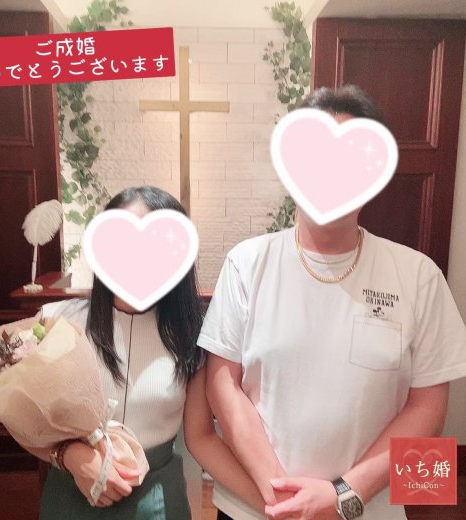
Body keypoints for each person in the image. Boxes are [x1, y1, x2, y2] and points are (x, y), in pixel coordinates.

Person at [196, 85, 466, 520]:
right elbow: (222, 385)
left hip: (367, 510)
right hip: (256, 508)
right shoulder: (246, 263)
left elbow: (428, 409)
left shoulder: (419, 276)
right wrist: (281, 497)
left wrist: (342, 496)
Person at [39, 185, 264, 520]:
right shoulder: (57, 321)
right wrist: (69, 455)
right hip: (72, 494)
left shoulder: (194, 336)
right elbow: (28, 422)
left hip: (156, 499)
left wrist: (274, 506)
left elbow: (201, 437)